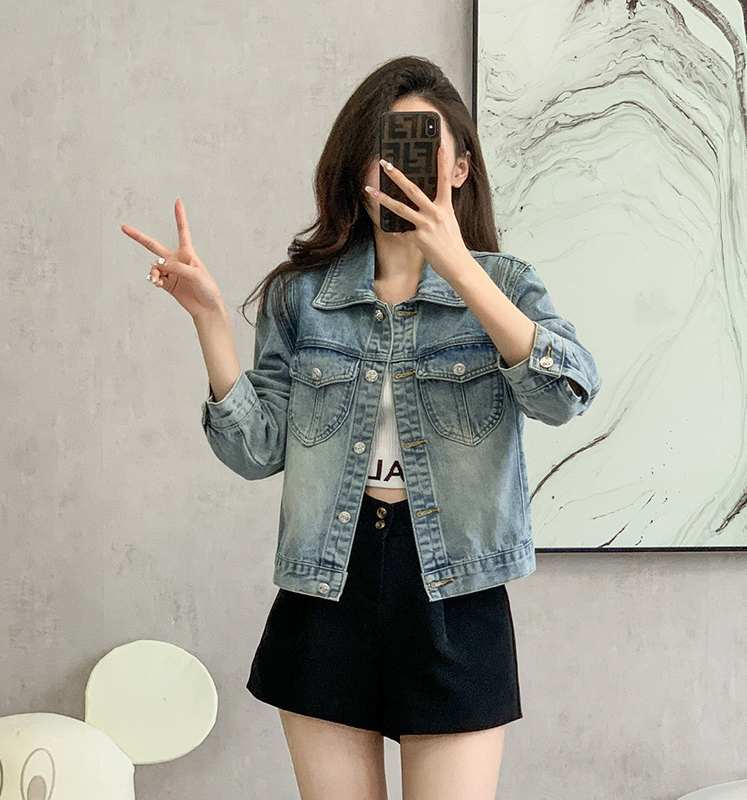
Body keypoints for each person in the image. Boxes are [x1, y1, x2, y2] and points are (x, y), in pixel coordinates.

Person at [120, 55, 600, 800]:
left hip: (454, 594)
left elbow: (565, 394)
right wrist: (210, 320)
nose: (400, 168)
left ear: (460, 169)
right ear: (359, 168)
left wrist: (458, 267)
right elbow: (257, 449)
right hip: (328, 588)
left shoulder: (505, 285)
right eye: (385, 149)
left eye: (421, 147)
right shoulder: (302, 297)